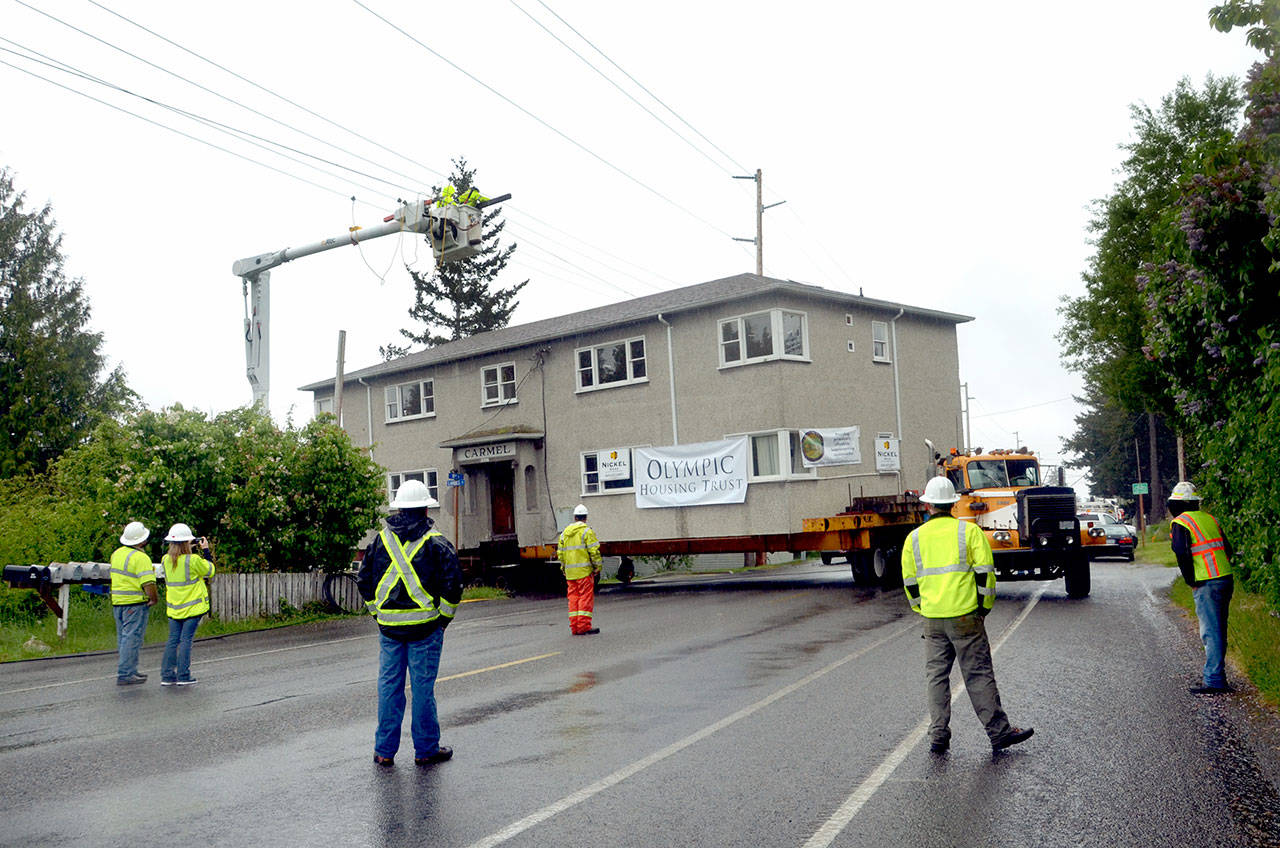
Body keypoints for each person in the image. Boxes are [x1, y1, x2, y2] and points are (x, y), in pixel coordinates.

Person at [902, 476, 1034, 754]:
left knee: (936, 677)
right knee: (977, 674)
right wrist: (983, 609)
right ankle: (998, 733)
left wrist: (923, 610)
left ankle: (938, 734)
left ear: (928, 507)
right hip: (965, 616)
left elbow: (910, 584)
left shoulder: (913, 539)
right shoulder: (969, 533)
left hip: (933, 619)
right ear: (953, 504)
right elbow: (986, 576)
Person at [357, 479, 462, 768]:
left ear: (399, 509)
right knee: (422, 690)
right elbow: (453, 586)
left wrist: (377, 614)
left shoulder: (380, 540)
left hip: (389, 630)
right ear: (426, 510)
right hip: (426, 630)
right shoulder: (436, 542)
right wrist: (443, 620)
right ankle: (426, 750)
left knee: (389, 688)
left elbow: (364, 580)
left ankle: (384, 751)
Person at [1168, 481, 1235, 694]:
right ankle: (1217, 675)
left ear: (1176, 504)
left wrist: (1191, 581)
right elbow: (1228, 549)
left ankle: (1214, 680)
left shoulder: (1181, 522)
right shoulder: (1209, 519)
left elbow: (1181, 553)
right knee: (1219, 628)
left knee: (1210, 631)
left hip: (1206, 582)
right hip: (1225, 577)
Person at [159, 523, 215, 686]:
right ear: (187, 542)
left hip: (174, 608)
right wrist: (205, 550)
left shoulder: (165, 560)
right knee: (186, 641)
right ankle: (184, 675)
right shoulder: (193, 560)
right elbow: (210, 570)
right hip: (192, 608)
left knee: (172, 640)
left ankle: (167, 675)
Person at [110, 521, 158, 685]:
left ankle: (130, 670)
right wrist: (153, 598)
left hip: (118, 602)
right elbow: (148, 583)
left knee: (124, 638)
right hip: (135, 603)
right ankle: (125, 673)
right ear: (142, 540)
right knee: (132, 638)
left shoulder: (116, 554)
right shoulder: (141, 558)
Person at [557, 504, 603, 635]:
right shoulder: (587, 532)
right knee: (585, 598)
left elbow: (560, 553)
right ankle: (583, 626)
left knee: (573, 599)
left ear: (575, 517)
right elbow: (594, 552)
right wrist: (597, 567)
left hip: (570, 574)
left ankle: (575, 627)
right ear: (585, 518)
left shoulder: (564, 534)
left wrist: (564, 568)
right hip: (584, 573)